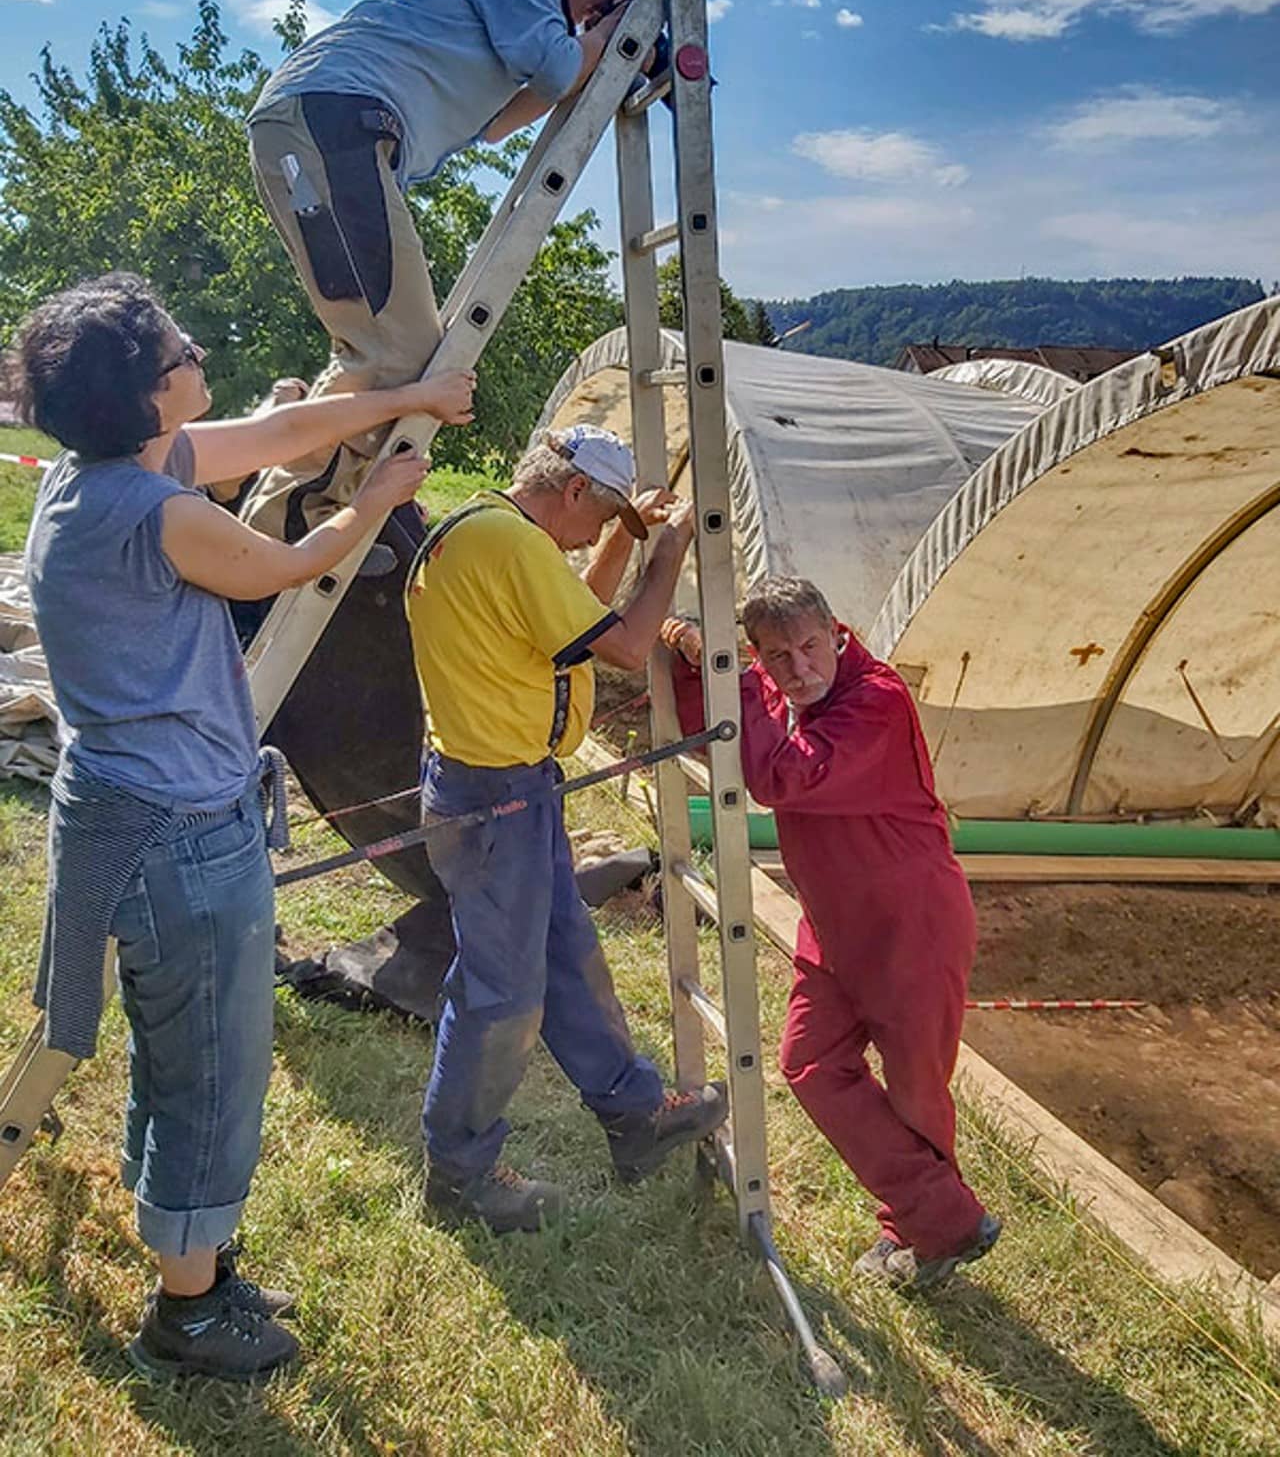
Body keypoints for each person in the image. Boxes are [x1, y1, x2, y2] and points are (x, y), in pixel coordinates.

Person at [15, 272, 474, 1381]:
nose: (196, 350)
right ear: (147, 391)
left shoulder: (104, 477)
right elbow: (283, 566)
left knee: (180, 1052)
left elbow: (278, 430)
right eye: (180, 347)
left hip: (136, 814)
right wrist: (375, 499)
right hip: (176, 831)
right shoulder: (158, 510)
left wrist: (396, 399)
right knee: (211, 1066)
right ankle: (189, 1311)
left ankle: (192, 1250)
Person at [242, 0, 657, 537]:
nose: (597, 11)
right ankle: (290, 533)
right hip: (336, 124)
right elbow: (553, 69)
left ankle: (282, 514)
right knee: (403, 356)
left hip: (326, 127)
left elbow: (501, 121)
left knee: (376, 350)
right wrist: (606, 40)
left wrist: (603, 63)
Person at [406, 424, 728, 1231]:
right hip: (494, 800)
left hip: (506, 786)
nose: (598, 538)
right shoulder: (510, 546)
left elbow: (577, 607)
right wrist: (667, 550)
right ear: (575, 491)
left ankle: (633, 1113)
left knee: (563, 952)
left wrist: (626, 535)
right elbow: (621, 644)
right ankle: (460, 1174)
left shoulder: (484, 530)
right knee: (502, 996)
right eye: (602, 516)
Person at [661, 577, 1000, 1292]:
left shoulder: (877, 702)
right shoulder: (781, 685)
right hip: (834, 926)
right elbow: (718, 723)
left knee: (915, 1090)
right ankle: (943, 1219)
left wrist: (745, 681)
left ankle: (927, 1233)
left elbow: (781, 778)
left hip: (912, 925)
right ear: (759, 655)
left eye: (811, 648)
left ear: (837, 634)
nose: (799, 669)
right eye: (778, 658)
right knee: (808, 1063)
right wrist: (693, 660)